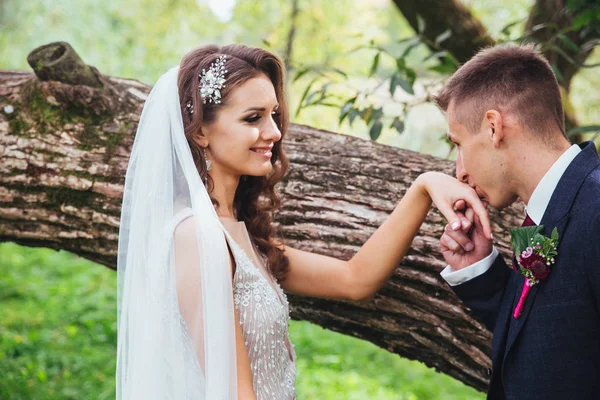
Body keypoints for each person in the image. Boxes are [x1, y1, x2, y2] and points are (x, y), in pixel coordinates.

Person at [116, 43, 491, 400]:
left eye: (273, 115)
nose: (274, 132)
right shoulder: (196, 235)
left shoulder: (235, 231)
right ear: (200, 131)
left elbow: (354, 279)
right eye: (253, 118)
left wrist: (422, 188)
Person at [438, 43, 600, 399]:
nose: (459, 171)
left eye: (459, 144)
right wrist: (481, 271)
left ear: (493, 127)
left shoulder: (596, 209)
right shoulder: (547, 209)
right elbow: (554, 337)